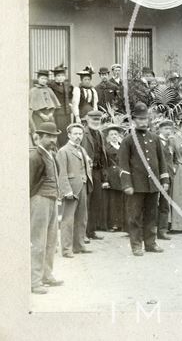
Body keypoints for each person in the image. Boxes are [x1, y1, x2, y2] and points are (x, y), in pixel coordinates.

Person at [119, 102, 170, 256]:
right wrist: (127, 184)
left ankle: (150, 243)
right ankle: (136, 245)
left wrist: (164, 180)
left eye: (145, 119)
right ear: (134, 120)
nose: (142, 122)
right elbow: (123, 164)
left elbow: (162, 161)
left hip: (152, 185)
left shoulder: (154, 138)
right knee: (134, 216)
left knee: (151, 215)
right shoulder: (128, 140)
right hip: (136, 186)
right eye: (139, 119)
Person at [29, 122, 64, 294]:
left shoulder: (51, 154)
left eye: (54, 136)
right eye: (48, 136)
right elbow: (29, 184)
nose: (52, 139)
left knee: (51, 240)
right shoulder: (34, 156)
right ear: (39, 138)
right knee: (38, 241)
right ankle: (34, 281)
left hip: (51, 199)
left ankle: (46, 275)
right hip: (40, 199)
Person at [57, 123, 93, 257]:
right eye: (75, 134)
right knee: (68, 220)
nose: (78, 136)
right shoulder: (63, 151)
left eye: (80, 134)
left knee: (82, 218)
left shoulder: (82, 150)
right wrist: (67, 190)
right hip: (71, 189)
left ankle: (79, 245)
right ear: (69, 135)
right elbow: (62, 173)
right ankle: (66, 250)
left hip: (83, 186)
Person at [82, 110, 108, 240]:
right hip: (85, 172)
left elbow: (103, 155)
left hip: (97, 172)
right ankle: (83, 233)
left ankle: (91, 231)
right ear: (87, 120)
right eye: (93, 120)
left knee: (95, 202)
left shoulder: (100, 134)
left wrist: (104, 175)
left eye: (98, 120)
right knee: (85, 202)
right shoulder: (82, 133)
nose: (96, 122)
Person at [102, 124, 126, 231]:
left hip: (122, 175)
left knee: (122, 200)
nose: (114, 136)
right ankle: (113, 224)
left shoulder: (122, 146)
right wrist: (106, 179)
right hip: (112, 175)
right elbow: (104, 165)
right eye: (111, 134)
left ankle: (122, 223)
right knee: (113, 201)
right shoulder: (106, 148)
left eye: (116, 134)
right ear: (108, 137)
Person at [157, 119, 176, 240]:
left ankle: (162, 230)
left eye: (170, 129)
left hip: (168, 177)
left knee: (165, 204)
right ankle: (149, 229)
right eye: (166, 129)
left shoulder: (170, 143)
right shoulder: (155, 141)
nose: (168, 131)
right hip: (156, 176)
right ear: (160, 129)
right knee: (151, 203)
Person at [49, 64, 73, 146]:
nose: (60, 78)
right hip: (58, 112)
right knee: (60, 132)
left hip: (67, 112)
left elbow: (70, 96)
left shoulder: (67, 85)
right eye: (58, 76)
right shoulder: (51, 86)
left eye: (62, 76)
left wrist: (70, 104)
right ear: (55, 77)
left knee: (68, 131)